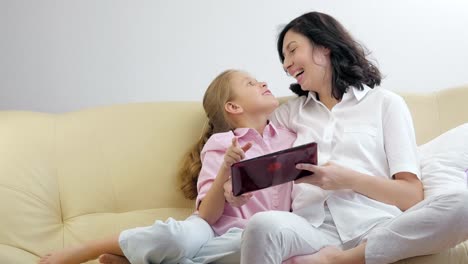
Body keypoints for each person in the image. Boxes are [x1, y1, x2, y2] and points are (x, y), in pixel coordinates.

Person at [239, 11, 468, 264]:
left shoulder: (386, 104)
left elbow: (411, 196)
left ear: (324, 46)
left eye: (292, 50)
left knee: (462, 203)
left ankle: (343, 260)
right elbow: (254, 152)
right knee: (262, 225)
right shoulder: (288, 113)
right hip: (311, 228)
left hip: (376, 225)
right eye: (283, 58)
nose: (286, 64)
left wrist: (347, 179)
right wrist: (233, 182)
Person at [38, 69, 297, 264]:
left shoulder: (290, 137)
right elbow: (207, 215)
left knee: (262, 249)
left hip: (246, 239)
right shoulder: (223, 143)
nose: (263, 83)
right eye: (250, 83)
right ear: (233, 106)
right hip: (208, 230)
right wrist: (225, 170)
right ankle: (89, 248)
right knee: (174, 238)